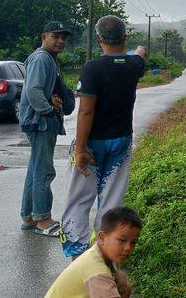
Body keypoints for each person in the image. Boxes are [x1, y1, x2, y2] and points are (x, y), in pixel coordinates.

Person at [60, 15, 147, 258]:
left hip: (92, 143)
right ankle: (106, 254)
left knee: (79, 197)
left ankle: (77, 253)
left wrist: (80, 149)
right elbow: (140, 53)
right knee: (112, 199)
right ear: (125, 37)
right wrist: (138, 50)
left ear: (99, 39)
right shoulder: (133, 66)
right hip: (121, 141)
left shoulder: (92, 68)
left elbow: (86, 110)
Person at [19, 21, 75, 236]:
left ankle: (29, 217)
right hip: (40, 122)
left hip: (38, 121)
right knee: (44, 171)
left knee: (35, 170)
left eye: (63, 37)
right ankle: (43, 219)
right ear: (44, 36)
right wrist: (48, 111)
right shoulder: (42, 57)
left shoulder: (48, 58)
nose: (60, 40)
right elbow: (34, 90)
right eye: (55, 36)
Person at [46, 207, 141, 298]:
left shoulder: (97, 252)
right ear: (102, 238)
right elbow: (99, 274)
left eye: (133, 242)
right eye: (122, 240)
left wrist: (117, 274)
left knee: (123, 285)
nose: (128, 248)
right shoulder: (97, 273)